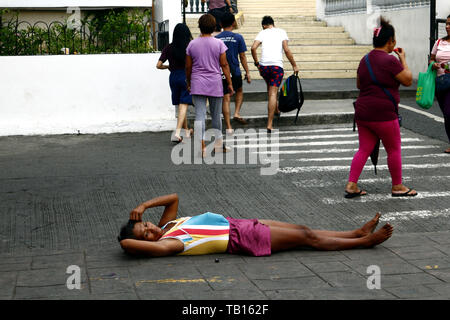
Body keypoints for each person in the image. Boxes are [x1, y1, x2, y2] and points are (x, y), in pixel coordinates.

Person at [118, 193, 394, 257]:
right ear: (147, 243)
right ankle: (363, 242)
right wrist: (137, 238)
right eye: (148, 235)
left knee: (303, 229)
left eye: (148, 226)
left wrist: (142, 208)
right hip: (241, 238)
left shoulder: (167, 227)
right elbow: (126, 243)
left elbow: (173, 198)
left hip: (240, 224)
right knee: (305, 237)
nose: (152, 230)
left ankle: (354, 233)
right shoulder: (169, 243)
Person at [345, 17, 417, 198]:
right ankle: (398, 186)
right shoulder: (391, 61)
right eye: (394, 40)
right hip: (384, 113)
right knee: (393, 149)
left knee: (364, 148)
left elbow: (359, 85)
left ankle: (352, 185)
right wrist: (403, 60)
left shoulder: (365, 60)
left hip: (363, 113)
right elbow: (408, 80)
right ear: (391, 41)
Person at [186, 14, 234, 157]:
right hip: (215, 82)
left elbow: (188, 67)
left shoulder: (192, 44)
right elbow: (224, 64)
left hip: (197, 82)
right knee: (215, 115)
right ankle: (219, 145)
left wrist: (189, 82)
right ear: (214, 27)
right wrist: (230, 83)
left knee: (199, 115)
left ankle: (202, 147)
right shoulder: (219, 44)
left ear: (199, 26)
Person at [251, 16, 300, 133]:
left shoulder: (262, 33)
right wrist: (294, 65)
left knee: (270, 89)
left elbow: (253, 48)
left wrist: (257, 63)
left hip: (264, 67)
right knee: (273, 92)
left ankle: (277, 109)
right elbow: (287, 50)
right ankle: (269, 124)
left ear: (264, 25)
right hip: (276, 67)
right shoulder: (281, 32)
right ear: (273, 24)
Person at [157, 23, 194, 143]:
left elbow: (158, 65)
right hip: (185, 76)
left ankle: (186, 130)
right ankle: (177, 133)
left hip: (173, 77)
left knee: (180, 105)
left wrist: (168, 66)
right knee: (184, 104)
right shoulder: (189, 46)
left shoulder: (168, 47)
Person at [216, 12, 251, 135]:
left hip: (221, 72)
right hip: (235, 71)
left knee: (225, 97)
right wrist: (247, 72)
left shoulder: (216, 38)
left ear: (220, 24)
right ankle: (236, 112)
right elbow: (242, 56)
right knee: (239, 90)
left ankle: (229, 126)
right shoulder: (238, 37)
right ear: (233, 23)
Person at [430, 14, 450, 154]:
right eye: (447, 24)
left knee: (449, 112)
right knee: (446, 114)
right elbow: (431, 59)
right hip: (440, 83)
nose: (447, 26)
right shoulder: (438, 42)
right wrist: (434, 64)